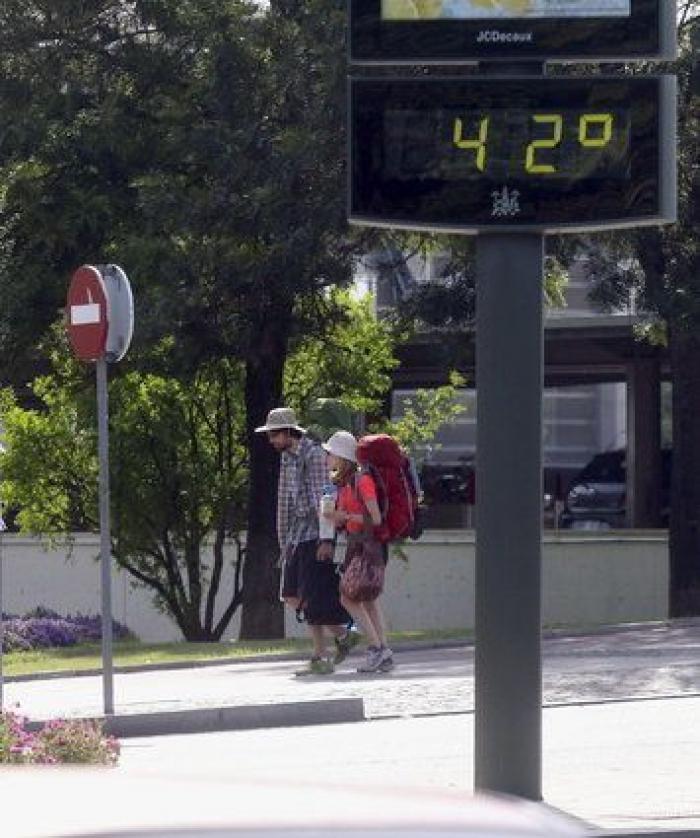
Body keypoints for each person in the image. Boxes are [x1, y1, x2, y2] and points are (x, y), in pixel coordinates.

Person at [255, 407, 357, 676]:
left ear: (290, 431)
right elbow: (284, 502)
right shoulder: (286, 459)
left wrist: (327, 540)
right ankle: (345, 634)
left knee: (311, 597)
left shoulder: (313, 456)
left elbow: (325, 500)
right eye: (270, 435)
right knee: (290, 594)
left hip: (315, 533)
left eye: (275, 434)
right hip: (296, 535)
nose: (272, 440)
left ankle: (319, 658)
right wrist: (283, 542)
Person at [322, 430, 395, 674]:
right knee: (368, 599)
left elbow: (375, 518)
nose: (327, 458)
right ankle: (383, 651)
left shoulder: (362, 481)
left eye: (330, 454)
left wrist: (345, 516)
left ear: (342, 457)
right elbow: (346, 520)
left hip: (368, 546)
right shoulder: (344, 485)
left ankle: (376, 649)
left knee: (348, 598)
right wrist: (334, 517)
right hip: (357, 545)